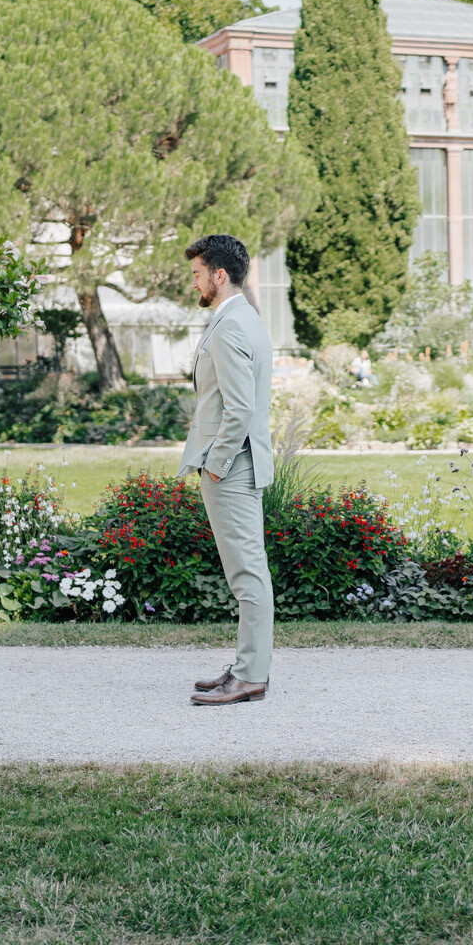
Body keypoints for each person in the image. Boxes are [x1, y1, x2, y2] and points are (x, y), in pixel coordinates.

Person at [180, 234, 276, 705]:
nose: (193, 282)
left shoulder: (233, 325)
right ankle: (245, 668)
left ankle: (251, 676)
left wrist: (215, 467)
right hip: (235, 465)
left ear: (220, 275)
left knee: (247, 575)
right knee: (247, 572)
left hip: (232, 468)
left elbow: (238, 410)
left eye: (198, 273)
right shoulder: (241, 319)